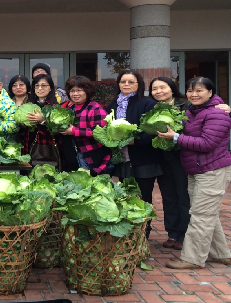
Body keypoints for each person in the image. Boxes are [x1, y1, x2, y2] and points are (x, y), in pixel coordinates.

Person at [158, 77, 231, 269]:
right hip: (196, 169)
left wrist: (175, 137)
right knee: (206, 214)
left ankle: (192, 258)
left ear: (211, 92)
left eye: (199, 90)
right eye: (191, 91)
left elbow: (207, 143)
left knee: (201, 215)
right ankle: (220, 254)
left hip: (213, 169)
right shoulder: (192, 111)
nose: (194, 94)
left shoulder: (217, 114)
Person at [106, 69, 162, 239]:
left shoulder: (147, 103)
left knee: (143, 198)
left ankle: (143, 233)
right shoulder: (112, 105)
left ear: (139, 85)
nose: (126, 85)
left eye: (131, 82)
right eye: (123, 82)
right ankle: (129, 232)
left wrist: (133, 141)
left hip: (144, 159)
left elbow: (153, 131)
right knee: (126, 196)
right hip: (123, 159)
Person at [148, 77, 191, 250]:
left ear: (172, 89)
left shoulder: (186, 106)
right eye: (154, 89)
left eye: (162, 87)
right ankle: (172, 232)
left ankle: (184, 234)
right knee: (168, 196)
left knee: (183, 195)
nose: (159, 91)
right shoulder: (151, 108)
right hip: (161, 157)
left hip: (181, 157)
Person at [59, 75, 112, 175]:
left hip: (91, 157)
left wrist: (74, 131)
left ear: (87, 91)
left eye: (79, 90)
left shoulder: (95, 108)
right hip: (73, 155)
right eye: (72, 91)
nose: (75, 94)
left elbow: (100, 133)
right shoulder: (69, 108)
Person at [19, 74, 58, 159]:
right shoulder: (28, 104)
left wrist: (43, 120)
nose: (40, 88)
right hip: (27, 145)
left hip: (44, 148)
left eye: (44, 85)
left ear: (50, 88)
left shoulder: (55, 107)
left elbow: (56, 131)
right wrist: (22, 124)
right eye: (37, 86)